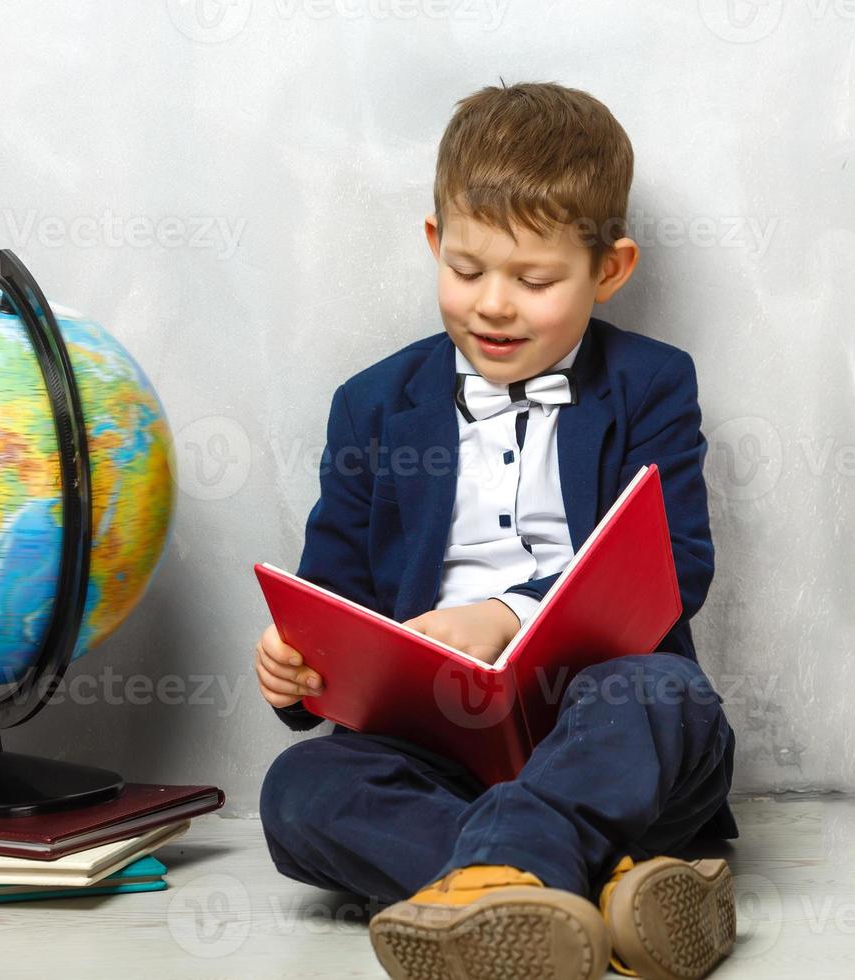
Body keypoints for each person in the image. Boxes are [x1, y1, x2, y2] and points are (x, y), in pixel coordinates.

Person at [256, 80, 738, 980]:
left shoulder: (653, 384)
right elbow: (335, 598)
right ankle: (606, 893)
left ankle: (498, 881)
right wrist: (295, 666)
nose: (493, 306)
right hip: (441, 750)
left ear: (611, 269)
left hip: (613, 740)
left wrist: (509, 615)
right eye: (468, 270)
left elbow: (676, 570)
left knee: (665, 695)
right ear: (435, 242)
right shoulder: (370, 406)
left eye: (535, 279)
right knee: (300, 791)